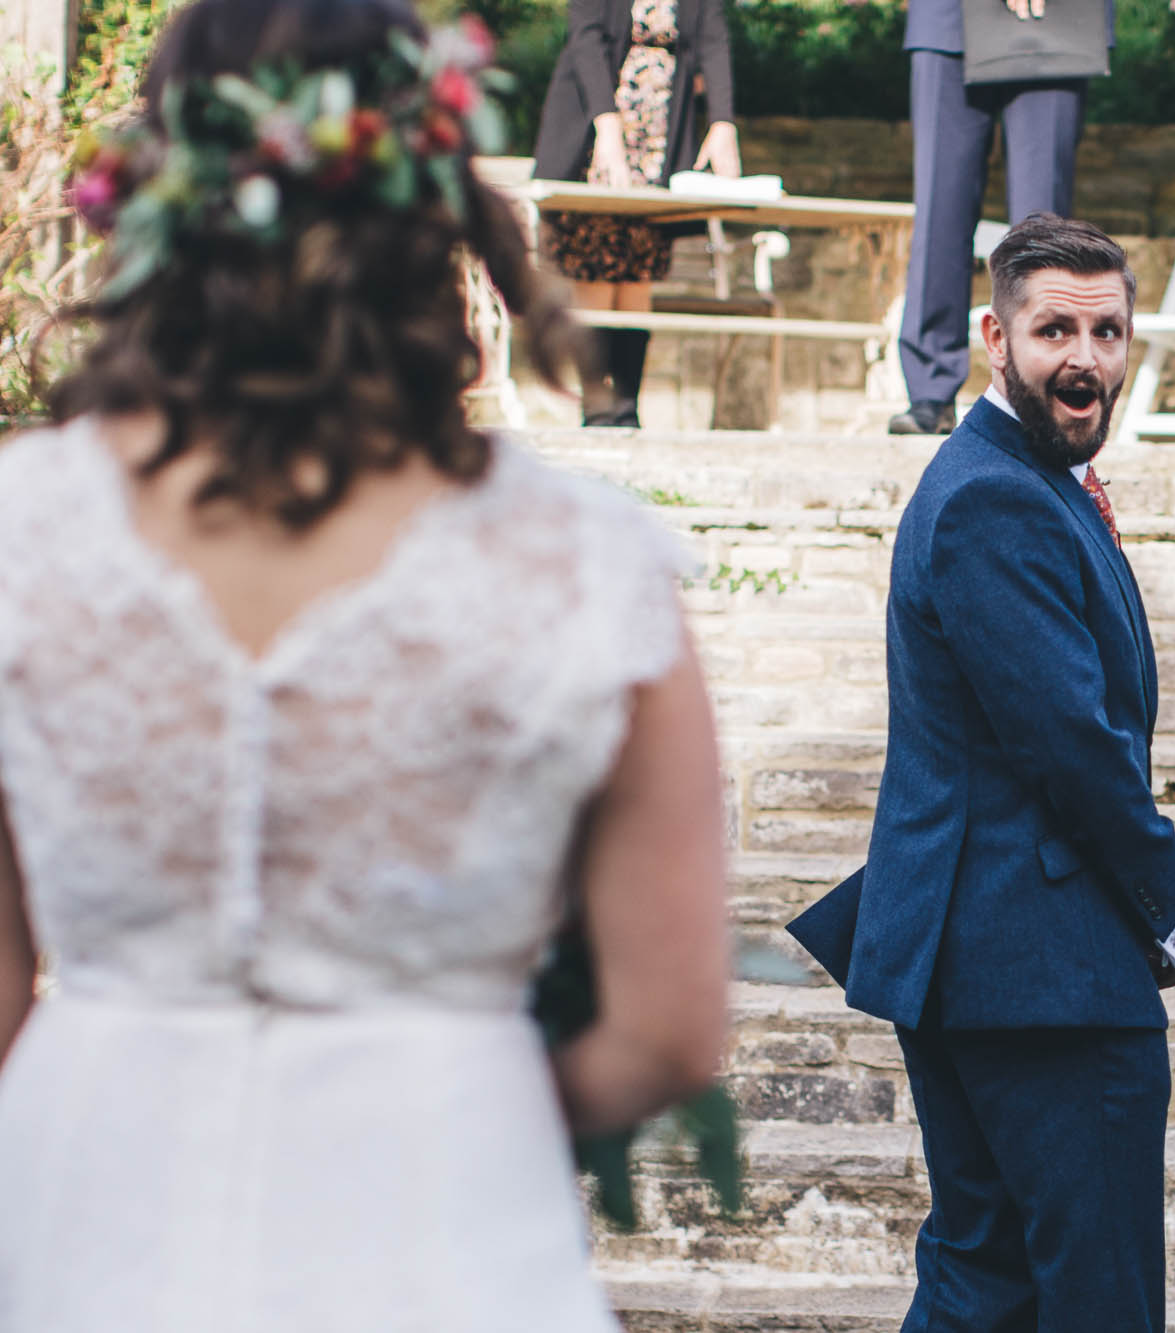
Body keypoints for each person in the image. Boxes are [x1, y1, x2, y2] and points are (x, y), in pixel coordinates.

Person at [0, 2, 731, 1328]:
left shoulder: (17, 530)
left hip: (89, 1203)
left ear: (162, 178)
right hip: (440, 1216)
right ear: (431, 193)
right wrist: (464, 1091)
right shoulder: (581, 560)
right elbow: (673, 1026)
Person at [789, 213, 1175, 1328]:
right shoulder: (991, 495)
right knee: (1093, 1295)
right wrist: (1170, 903)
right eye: (1054, 330)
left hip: (989, 958)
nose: (1085, 357)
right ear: (994, 337)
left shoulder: (1027, 479)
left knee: (987, 1283)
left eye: (1108, 332)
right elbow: (1068, 737)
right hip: (1038, 965)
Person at [887, 0, 1115, 435]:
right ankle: (930, 391)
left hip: (1055, 19)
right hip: (947, 20)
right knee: (940, 209)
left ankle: (1039, 391)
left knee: (1041, 228)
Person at [534, 0, 740, 427]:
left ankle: (627, 405)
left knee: (638, 266)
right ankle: (597, 403)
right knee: (595, 262)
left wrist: (722, 122)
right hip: (599, 126)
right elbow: (586, 40)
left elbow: (714, 40)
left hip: (660, 133)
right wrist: (607, 128)